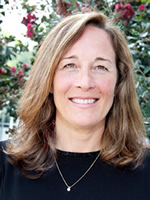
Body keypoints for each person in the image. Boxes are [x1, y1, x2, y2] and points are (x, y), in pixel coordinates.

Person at [0, 12, 150, 200]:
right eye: (70, 65)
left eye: (100, 67)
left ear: (119, 83)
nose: (85, 83)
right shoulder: (5, 167)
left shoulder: (146, 174)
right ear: (49, 79)